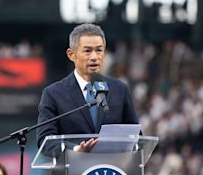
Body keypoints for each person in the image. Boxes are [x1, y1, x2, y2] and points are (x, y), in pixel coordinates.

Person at [36, 23, 138, 155]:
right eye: (87, 51)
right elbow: (45, 141)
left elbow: (136, 137)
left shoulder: (119, 90)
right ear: (71, 54)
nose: (94, 57)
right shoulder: (53, 94)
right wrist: (75, 150)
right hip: (73, 172)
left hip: (111, 171)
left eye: (99, 50)